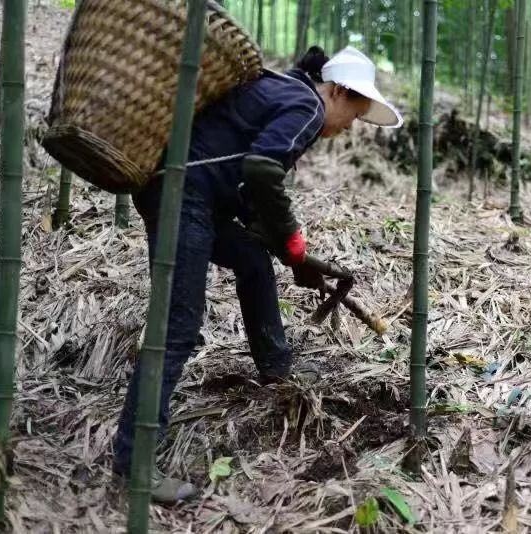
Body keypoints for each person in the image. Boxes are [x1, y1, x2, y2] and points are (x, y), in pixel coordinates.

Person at [112, 45, 402, 503]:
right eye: (354, 115)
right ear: (339, 92)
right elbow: (263, 169)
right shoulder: (307, 106)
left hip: (185, 190)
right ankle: (134, 465)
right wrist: (292, 242)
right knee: (179, 326)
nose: (347, 128)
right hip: (182, 193)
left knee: (250, 260)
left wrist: (294, 258)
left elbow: (244, 186)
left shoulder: (287, 92)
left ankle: (276, 370)